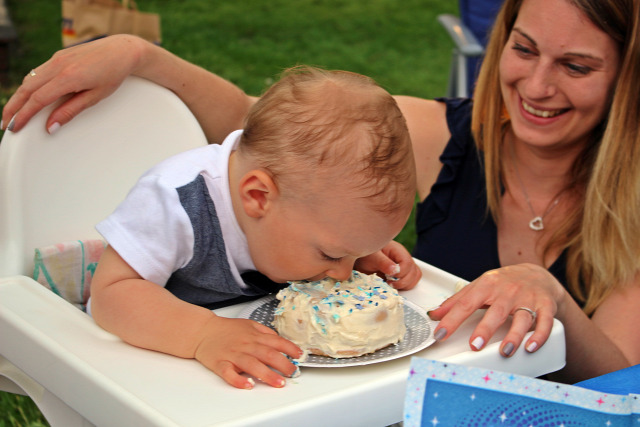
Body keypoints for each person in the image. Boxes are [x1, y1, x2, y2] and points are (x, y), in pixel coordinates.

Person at [3, 0, 639, 384]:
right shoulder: (451, 135)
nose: (536, 85)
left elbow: (622, 390)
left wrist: (553, 295)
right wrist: (143, 57)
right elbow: (271, 137)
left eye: (576, 66)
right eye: (523, 50)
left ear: (628, 79)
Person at [79, 66, 421, 390]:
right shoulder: (175, 202)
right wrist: (203, 334)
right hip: (156, 374)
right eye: (332, 254)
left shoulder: (300, 209)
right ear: (259, 197)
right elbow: (111, 293)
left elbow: (328, 236)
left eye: (351, 255)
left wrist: (358, 251)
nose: (343, 275)